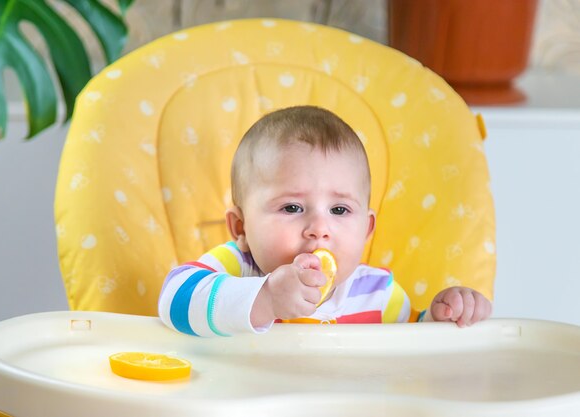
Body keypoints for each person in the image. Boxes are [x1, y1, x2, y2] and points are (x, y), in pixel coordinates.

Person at [158, 106, 492, 337]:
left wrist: (443, 318)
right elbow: (172, 300)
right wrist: (265, 299)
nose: (319, 228)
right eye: (291, 208)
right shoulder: (237, 269)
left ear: (366, 230)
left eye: (339, 210)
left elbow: (415, 352)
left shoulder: (376, 293)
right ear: (241, 228)